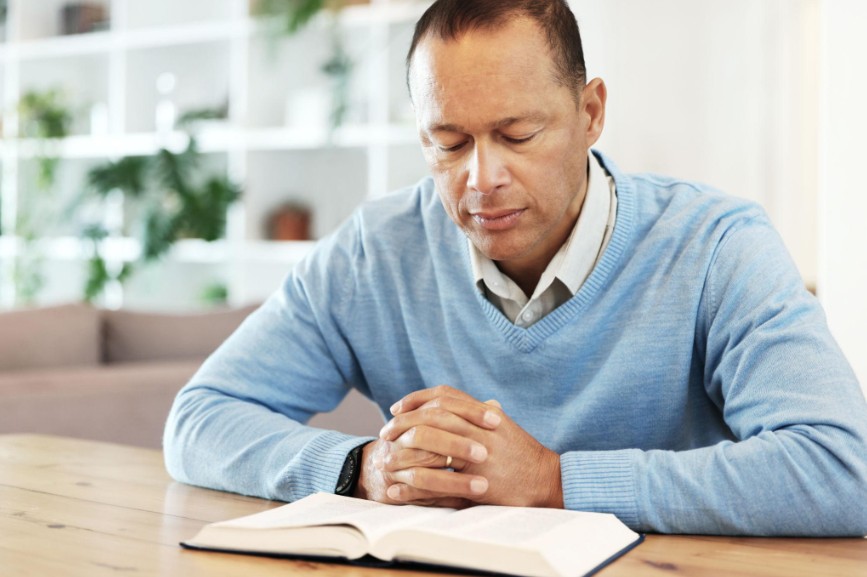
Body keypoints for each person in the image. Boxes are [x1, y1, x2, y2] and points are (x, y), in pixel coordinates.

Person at [164, 0, 867, 536]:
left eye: (516, 134)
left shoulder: (715, 246)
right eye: (448, 142)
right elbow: (199, 420)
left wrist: (553, 480)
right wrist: (363, 468)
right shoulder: (374, 252)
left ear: (590, 112)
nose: (480, 177)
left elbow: (841, 468)